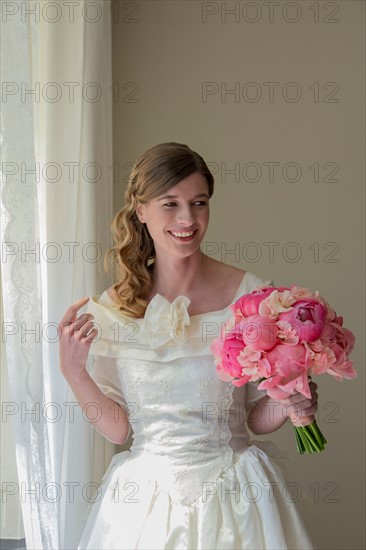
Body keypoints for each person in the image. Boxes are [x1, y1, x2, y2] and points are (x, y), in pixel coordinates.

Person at [59, 142, 317, 550]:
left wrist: (290, 398)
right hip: (145, 505)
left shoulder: (251, 298)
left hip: (236, 495)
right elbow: (118, 428)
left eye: (199, 203)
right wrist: (73, 372)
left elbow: (256, 419)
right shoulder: (110, 310)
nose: (187, 218)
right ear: (141, 210)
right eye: (171, 203)